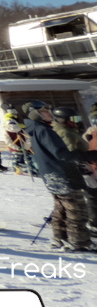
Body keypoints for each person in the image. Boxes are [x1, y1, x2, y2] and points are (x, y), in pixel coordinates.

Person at [19, 100, 97, 252]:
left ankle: (60, 238)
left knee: (61, 209)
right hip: (62, 175)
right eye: (44, 111)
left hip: (52, 175)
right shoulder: (44, 130)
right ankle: (80, 242)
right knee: (76, 211)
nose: (49, 114)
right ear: (35, 114)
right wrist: (87, 155)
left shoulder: (36, 130)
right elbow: (62, 154)